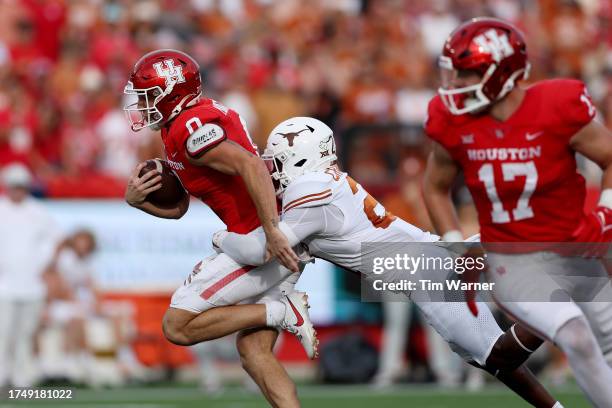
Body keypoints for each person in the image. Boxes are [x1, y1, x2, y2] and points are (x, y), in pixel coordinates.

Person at [208, 116, 564, 408]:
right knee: (489, 358)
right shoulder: (326, 184)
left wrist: (220, 237)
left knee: (497, 356)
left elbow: (261, 250)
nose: (272, 170)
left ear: (301, 157)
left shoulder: (309, 190)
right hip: (433, 256)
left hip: (425, 271)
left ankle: (562, 305)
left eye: (278, 160)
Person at [422, 17, 612, 406]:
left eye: (467, 72)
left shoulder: (557, 105)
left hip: (575, 251)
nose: (456, 82)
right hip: (512, 260)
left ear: (503, 71)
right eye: (455, 72)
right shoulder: (453, 121)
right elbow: (434, 186)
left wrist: (607, 213)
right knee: (575, 336)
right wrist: (457, 244)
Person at [122, 49, 312, 408]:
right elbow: (179, 208)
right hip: (276, 236)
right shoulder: (187, 121)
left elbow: (252, 166)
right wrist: (139, 201)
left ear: (171, 93)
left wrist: (272, 231)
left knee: (176, 326)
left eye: (148, 97)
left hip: (262, 240)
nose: (142, 107)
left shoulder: (188, 125)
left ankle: (285, 313)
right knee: (254, 353)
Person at [0, 163, 61, 387]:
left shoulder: (38, 212)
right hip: (4, 285)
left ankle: (21, 376)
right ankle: (2, 374)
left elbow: (56, 240)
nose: (18, 191)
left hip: (32, 285)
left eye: (21, 186)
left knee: (26, 334)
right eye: (14, 186)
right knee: (3, 333)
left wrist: (45, 267)